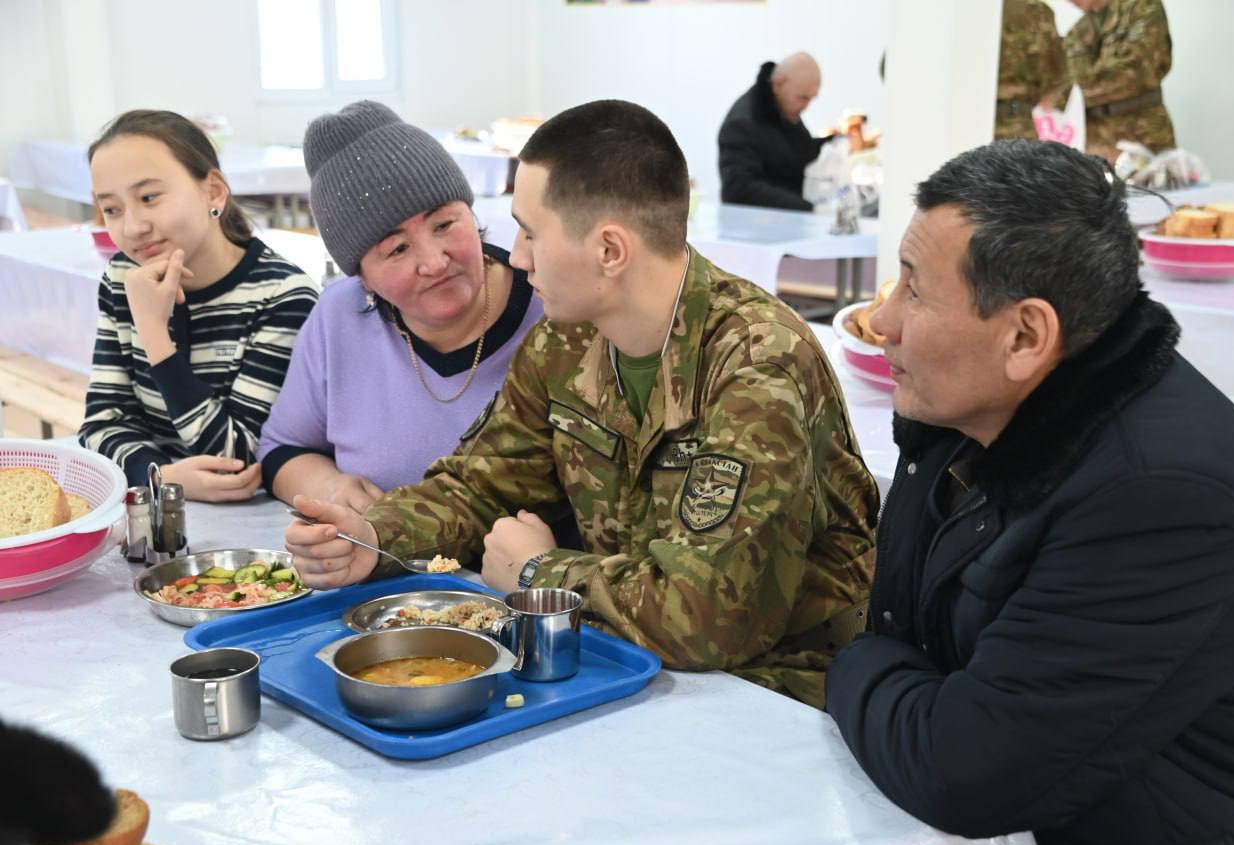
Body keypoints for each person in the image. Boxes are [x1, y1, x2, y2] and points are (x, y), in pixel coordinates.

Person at [285, 99, 879, 708]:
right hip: (628, 665)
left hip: (776, 700)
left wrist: (539, 574)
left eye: (531, 232)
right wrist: (371, 538)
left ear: (610, 251)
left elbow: (709, 618)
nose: (515, 258)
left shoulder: (756, 361)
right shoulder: (566, 342)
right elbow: (479, 486)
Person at [825, 140, 1234, 845]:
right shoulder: (972, 406)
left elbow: (965, 771)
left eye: (914, 289)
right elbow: (904, 628)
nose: (883, 324)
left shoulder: (1164, 500)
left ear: (1026, 335)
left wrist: (849, 661)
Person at [256, 101, 544, 513]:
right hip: (389, 571)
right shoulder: (339, 318)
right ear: (362, 277)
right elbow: (282, 449)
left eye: (445, 224)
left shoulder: (551, 303)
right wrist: (331, 487)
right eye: (398, 249)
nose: (434, 262)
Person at [80, 110, 317, 501]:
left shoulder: (283, 296)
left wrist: (155, 333)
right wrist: (160, 475)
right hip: (154, 504)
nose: (133, 226)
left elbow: (237, 458)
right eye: (112, 209)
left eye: (149, 197)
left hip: (251, 527)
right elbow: (101, 423)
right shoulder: (124, 277)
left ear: (213, 192)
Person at [1063, 0, 1176, 159]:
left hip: (1141, 133)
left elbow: (1133, 74)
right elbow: (1059, 86)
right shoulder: (1077, 32)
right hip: (1092, 141)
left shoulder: (1141, 7)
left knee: (1151, 182)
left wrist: (1076, 94)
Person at [718, 52, 830, 211]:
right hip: (755, 228)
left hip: (789, 220)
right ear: (778, 84)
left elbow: (798, 154)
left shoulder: (784, 110)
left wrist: (834, 142)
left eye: (811, 99)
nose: (806, 106)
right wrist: (810, 208)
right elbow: (739, 190)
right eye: (803, 98)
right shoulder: (742, 123)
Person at [994, 0, 1069, 140]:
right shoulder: (1040, 12)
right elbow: (1059, 74)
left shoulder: (959, 9)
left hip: (963, 119)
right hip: (1019, 124)